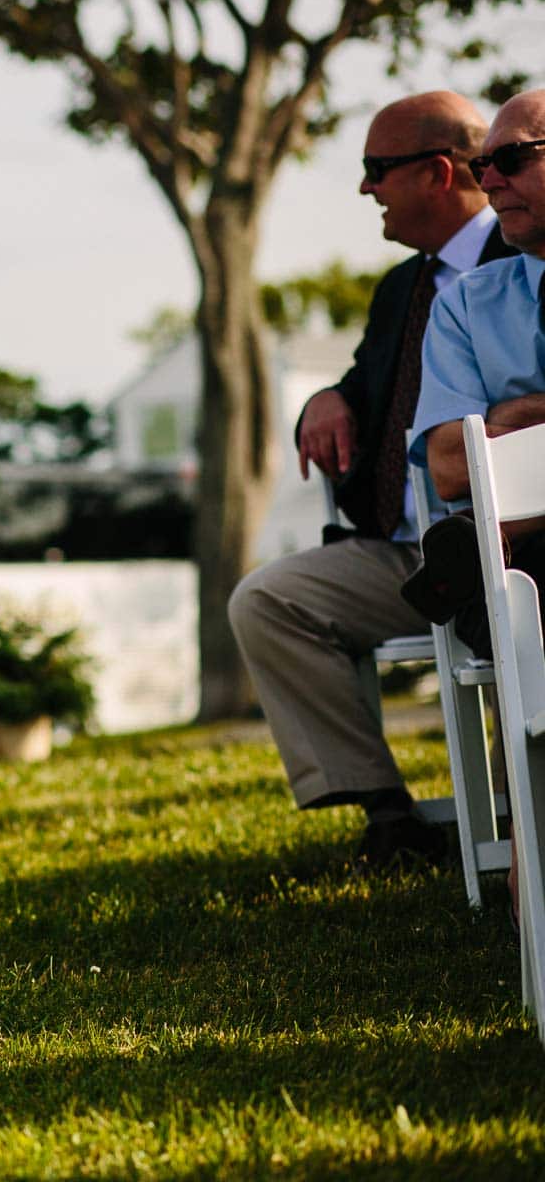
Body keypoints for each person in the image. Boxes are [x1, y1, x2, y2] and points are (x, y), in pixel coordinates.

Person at [227, 91, 514, 869]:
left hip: (507, 542)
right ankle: (388, 811)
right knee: (267, 600)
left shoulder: (523, 262)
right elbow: (360, 387)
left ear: (438, 173)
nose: (364, 190)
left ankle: (523, 811)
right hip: (399, 551)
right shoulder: (400, 290)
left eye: (375, 171)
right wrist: (324, 399)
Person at [409, 89, 545, 645]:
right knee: (504, 592)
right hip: (523, 567)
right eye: (481, 165)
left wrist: (510, 419)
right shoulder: (463, 304)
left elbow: (482, 456)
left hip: (509, 541)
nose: (487, 183)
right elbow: (449, 463)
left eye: (510, 160)